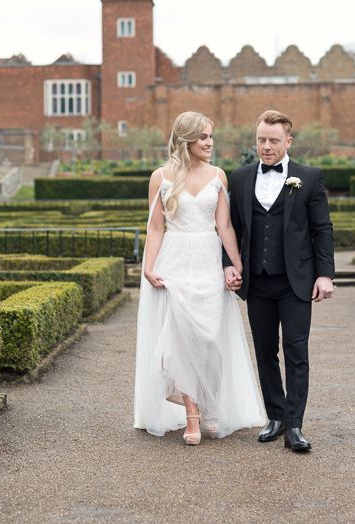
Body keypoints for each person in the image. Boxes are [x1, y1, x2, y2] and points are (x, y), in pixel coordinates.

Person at [134, 111, 266, 445]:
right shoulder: (160, 177)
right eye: (203, 137)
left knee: (209, 339)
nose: (209, 143)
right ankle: (192, 415)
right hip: (174, 261)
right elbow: (155, 227)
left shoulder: (218, 175)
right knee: (181, 338)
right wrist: (148, 267)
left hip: (208, 260)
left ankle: (209, 404)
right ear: (186, 139)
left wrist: (237, 265)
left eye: (211, 137)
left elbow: (225, 226)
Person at [223, 109, 335, 452]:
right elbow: (231, 229)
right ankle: (275, 416)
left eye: (273, 140)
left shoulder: (309, 177)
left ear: (288, 141)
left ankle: (296, 425)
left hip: (296, 281)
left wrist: (325, 274)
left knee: (296, 351)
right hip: (257, 281)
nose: (266, 147)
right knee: (265, 350)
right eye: (261, 140)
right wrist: (229, 264)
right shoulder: (239, 178)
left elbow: (322, 229)